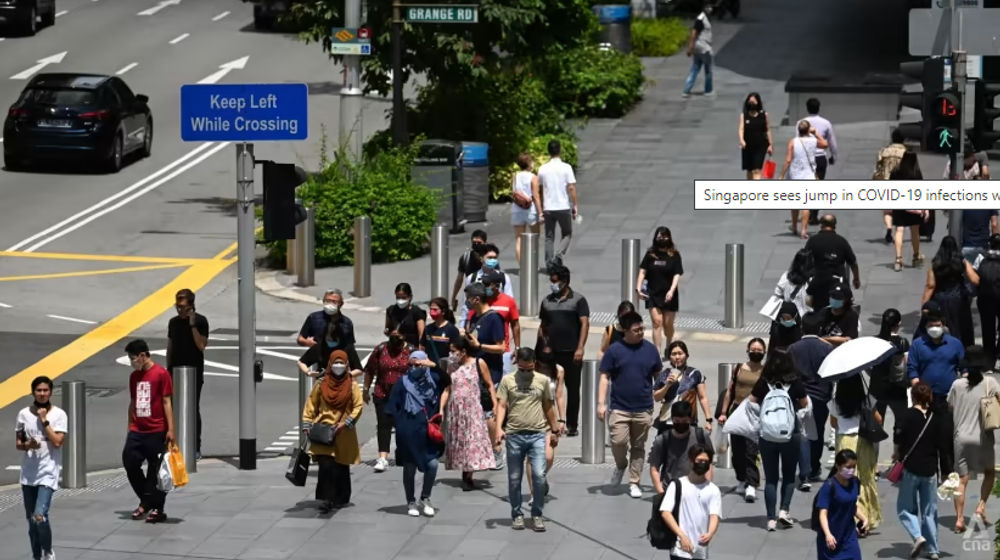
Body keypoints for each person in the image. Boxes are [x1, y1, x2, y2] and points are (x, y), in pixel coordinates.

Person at [494, 348, 561, 532]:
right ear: (517, 366)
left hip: (537, 434)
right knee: (515, 478)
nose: (525, 374)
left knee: (539, 476)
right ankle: (516, 514)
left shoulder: (542, 381)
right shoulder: (508, 380)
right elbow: (501, 405)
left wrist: (554, 429)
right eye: (522, 370)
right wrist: (499, 428)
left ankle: (537, 513)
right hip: (514, 435)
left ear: (534, 364)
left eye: (528, 370)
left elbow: (548, 406)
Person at [597, 311, 662, 498]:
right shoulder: (614, 350)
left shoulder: (650, 350)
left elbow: (658, 375)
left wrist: (662, 391)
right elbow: (604, 377)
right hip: (619, 407)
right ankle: (620, 465)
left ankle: (634, 481)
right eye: (636, 330)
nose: (641, 332)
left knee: (638, 446)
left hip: (643, 407)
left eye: (642, 328)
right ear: (625, 331)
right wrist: (601, 403)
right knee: (618, 441)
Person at [747, 353, 810, 531]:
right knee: (789, 476)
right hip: (791, 434)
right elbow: (804, 403)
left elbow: (751, 402)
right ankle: (784, 510)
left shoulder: (763, 382)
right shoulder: (795, 382)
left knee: (771, 478)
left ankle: (770, 519)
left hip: (767, 435)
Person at [385, 350, 449, 517]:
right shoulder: (403, 383)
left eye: (417, 365)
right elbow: (392, 407)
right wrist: (400, 426)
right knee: (409, 468)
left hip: (427, 433)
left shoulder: (432, 381)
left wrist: (432, 365)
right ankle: (411, 501)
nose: (413, 368)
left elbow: (446, 380)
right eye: (411, 365)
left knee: (432, 465)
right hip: (408, 433)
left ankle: (425, 497)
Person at [302, 350, 363, 512]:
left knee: (341, 465)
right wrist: (307, 424)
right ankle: (327, 498)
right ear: (329, 364)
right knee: (326, 466)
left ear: (347, 365)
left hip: (343, 432)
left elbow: (358, 406)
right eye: (335, 363)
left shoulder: (352, 384)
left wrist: (346, 423)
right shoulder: (321, 383)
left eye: (341, 363)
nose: (338, 366)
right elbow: (311, 405)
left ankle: (341, 497)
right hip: (323, 430)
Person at [121, 339, 174, 524]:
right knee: (130, 462)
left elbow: (167, 402)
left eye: (133, 358)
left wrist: (171, 429)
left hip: (156, 429)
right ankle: (148, 500)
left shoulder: (161, 374)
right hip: (137, 429)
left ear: (143, 356)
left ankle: (155, 508)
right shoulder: (134, 376)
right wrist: (130, 426)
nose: (131, 362)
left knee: (156, 471)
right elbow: (132, 402)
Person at [907, 311, 963, 480]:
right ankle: (929, 474)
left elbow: (963, 368)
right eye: (930, 325)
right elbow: (912, 370)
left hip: (947, 400)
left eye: (937, 325)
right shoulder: (918, 345)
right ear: (925, 327)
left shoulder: (955, 344)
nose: (934, 328)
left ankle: (947, 476)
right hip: (925, 400)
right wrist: (918, 392)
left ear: (943, 325)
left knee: (946, 438)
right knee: (926, 437)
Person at [946, 345, 997, 533]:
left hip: (961, 438)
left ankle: (959, 519)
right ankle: (981, 506)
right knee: (990, 473)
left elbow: (950, 407)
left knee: (962, 479)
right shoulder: (990, 383)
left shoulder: (957, 385)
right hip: (983, 437)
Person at [15, 376, 66, 560]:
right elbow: (19, 443)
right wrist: (28, 445)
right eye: (39, 390)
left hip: (48, 472)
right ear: (33, 392)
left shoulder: (59, 414)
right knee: (31, 521)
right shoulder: (23, 414)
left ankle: (48, 551)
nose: (42, 393)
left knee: (39, 517)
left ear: (51, 392)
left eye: (45, 390)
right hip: (28, 474)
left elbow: (58, 442)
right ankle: (36, 556)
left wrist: (44, 421)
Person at [894, 382, 945, 560]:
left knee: (904, 508)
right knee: (930, 510)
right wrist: (946, 471)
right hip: (930, 470)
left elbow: (898, 436)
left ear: (913, 397)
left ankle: (917, 536)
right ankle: (933, 549)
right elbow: (942, 446)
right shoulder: (935, 417)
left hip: (911, 469)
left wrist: (896, 453)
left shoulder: (906, 416)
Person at [537, 264, 589, 436]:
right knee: (547, 387)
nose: (553, 285)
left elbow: (584, 324)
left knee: (573, 389)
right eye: (551, 282)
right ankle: (549, 420)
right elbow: (542, 325)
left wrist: (580, 347)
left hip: (572, 352)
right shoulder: (546, 301)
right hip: (550, 353)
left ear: (564, 282)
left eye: (555, 282)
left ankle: (572, 425)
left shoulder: (578, 300)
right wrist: (542, 345)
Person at [828, 375, 882, 531]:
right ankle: (865, 518)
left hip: (845, 441)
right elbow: (878, 420)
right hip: (863, 441)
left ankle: (850, 517)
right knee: (865, 478)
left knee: (847, 480)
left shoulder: (835, 402)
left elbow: (833, 423)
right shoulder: (866, 400)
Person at [786, 312, 834, 488]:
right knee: (818, 433)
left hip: (799, 397)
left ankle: (803, 470)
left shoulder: (793, 348)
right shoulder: (827, 348)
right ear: (819, 328)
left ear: (801, 327)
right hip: (821, 397)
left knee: (800, 434)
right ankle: (814, 467)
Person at [463, 281, 507, 467]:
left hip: (491, 373)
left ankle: (497, 449)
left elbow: (501, 347)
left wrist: (480, 346)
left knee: (489, 413)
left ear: (476, 299)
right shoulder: (473, 317)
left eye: (468, 299)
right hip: (473, 372)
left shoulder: (494, 318)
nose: (466, 302)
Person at [444, 337, 496, 490]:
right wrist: (441, 408)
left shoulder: (478, 363)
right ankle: (464, 469)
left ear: (464, 351)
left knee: (471, 441)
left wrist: (494, 405)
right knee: (460, 441)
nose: (451, 354)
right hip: (456, 410)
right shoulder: (451, 365)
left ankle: (468, 475)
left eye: (454, 351)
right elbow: (448, 388)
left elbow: (489, 384)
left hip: (473, 409)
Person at [717, 338, 765, 503]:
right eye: (753, 349)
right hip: (737, 410)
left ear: (764, 352)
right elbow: (730, 390)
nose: (756, 352)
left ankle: (752, 483)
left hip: (755, 411)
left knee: (751, 449)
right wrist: (724, 412)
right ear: (747, 350)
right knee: (737, 450)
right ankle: (741, 479)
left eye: (759, 350)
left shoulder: (766, 371)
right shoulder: (738, 368)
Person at [166, 288, 208, 459]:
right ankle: (173, 444)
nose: (180, 310)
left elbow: (202, 345)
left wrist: (192, 325)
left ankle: (195, 447)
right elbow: (170, 345)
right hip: (175, 370)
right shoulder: (173, 322)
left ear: (191, 306)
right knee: (172, 409)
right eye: (177, 306)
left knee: (192, 408)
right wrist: (167, 368)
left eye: (183, 307)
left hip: (193, 371)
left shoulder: (200, 321)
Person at [659, 444, 722, 560]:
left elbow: (715, 516)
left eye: (705, 461)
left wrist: (710, 533)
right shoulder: (677, 485)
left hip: (700, 549)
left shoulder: (713, 490)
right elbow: (665, 513)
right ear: (691, 461)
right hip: (679, 548)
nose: (702, 464)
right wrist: (682, 536)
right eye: (699, 460)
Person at [363, 327, 412, 472]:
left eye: (399, 333)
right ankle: (383, 457)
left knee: (402, 426)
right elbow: (370, 370)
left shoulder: (411, 351)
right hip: (382, 393)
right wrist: (365, 390)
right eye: (393, 333)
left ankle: (403, 453)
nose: (396, 335)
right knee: (383, 425)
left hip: (404, 396)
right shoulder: (381, 349)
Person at [923, 235, 979, 347]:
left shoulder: (935, 263)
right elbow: (975, 279)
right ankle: (962, 349)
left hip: (940, 299)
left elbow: (930, 285)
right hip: (959, 299)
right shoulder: (961, 261)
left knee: (944, 326)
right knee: (961, 326)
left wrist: (924, 304)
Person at [635, 226, 684, 355]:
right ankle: (656, 351)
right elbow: (642, 271)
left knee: (668, 325)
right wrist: (638, 288)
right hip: (653, 293)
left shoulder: (674, 255)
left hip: (669, 294)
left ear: (669, 237)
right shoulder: (650, 254)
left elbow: (677, 274)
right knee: (657, 323)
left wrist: (672, 290)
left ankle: (669, 342)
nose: (662, 239)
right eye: (659, 236)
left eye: (664, 236)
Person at [649, 401, 714, 495]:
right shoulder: (663, 440)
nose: (681, 424)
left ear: (690, 420)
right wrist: (661, 492)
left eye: (684, 421)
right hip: (671, 490)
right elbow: (654, 468)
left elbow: (708, 464)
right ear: (672, 419)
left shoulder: (701, 436)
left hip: (697, 489)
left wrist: (707, 488)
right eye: (677, 421)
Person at [780, 120, 829, 238]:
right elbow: (825, 144)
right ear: (808, 130)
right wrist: (816, 133)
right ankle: (804, 230)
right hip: (809, 176)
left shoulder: (793, 142)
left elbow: (788, 160)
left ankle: (794, 225)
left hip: (795, 175)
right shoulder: (813, 141)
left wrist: (781, 175)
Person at [815, 449, 867, 560]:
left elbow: (852, 505)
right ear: (838, 466)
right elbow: (823, 514)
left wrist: (863, 518)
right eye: (848, 467)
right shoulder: (829, 486)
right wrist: (828, 535)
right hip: (831, 537)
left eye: (854, 467)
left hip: (848, 535)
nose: (851, 470)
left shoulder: (855, 482)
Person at [654, 341, 712, 434]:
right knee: (664, 447)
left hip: (688, 421)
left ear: (686, 355)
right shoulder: (664, 374)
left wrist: (708, 420)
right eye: (673, 354)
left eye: (680, 353)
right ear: (669, 357)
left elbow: (703, 398)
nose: (677, 357)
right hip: (667, 422)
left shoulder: (695, 373)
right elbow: (657, 398)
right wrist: (667, 385)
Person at [804, 214, 860, 310]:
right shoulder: (841, 241)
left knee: (817, 309)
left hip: (818, 283)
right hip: (838, 283)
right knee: (843, 309)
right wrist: (856, 279)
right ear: (835, 225)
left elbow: (805, 260)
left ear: (821, 224)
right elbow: (853, 263)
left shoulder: (813, 241)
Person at [537, 139, 578, 268]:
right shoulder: (566, 167)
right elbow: (571, 188)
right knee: (567, 233)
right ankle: (558, 255)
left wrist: (542, 207)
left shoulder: (543, 169)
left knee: (549, 236)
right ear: (560, 150)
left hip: (548, 207)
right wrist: (575, 204)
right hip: (563, 206)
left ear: (548, 151)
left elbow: (540, 188)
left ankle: (549, 264)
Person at [456, 244, 516, 328]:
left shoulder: (504, 278)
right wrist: (462, 326)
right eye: (489, 258)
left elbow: (510, 302)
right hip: (477, 321)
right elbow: (466, 305)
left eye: (495, 258)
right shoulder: (472, 278)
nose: (493, 260)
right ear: (481, 258)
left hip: (498, 321)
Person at [869, 309, 910, 428]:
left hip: (877, 388)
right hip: (897, 389)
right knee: (901, 424)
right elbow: (906, 365)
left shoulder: (874, 341)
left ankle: (874, 447)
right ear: (898, 324)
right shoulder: (902, 342)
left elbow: (867, 365)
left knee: (875, 426)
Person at [889, 152, 929, 271]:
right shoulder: (916, 172)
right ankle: (916, 256)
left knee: (899, 230)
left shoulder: (896, 171)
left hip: (899, 204)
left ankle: (898, 259)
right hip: (912, 205)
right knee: (914, 230)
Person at [876, 128, 908, 243]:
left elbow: (878, 168)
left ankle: (889, 227)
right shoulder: (906, 152)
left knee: (887, 211)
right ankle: (897, 232)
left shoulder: (884, 151)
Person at [511, 153, 542, 263]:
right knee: (534, 237)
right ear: (529, 163)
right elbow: (536, 196)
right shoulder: (533, 177)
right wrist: (541, 213)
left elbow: (514, 192)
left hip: (517, 209)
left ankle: (522, 266)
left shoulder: (515, 176)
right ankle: (532, 265)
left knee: (519, 239)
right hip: (530, 210)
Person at [765, 248, 813, 320]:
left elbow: (777, 294)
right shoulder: (812, 280)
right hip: (807, 319)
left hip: (790, 317)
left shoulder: (786, 276)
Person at [975, 234, 1000, 365]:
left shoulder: (981, 257)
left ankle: (988, 359)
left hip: (985, 299)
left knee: (987, 328)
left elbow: (975, 278)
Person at [419, 297, 461, 375]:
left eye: (435, 309)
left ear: (443, 311)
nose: (431, 312)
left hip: (446, 372)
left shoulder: (452, 330)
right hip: (429, 370)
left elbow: (457, 352)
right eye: (430, 309)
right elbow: (422, 347)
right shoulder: (428, 328)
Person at [738, 92, 773, 180]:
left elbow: (768, 130)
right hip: (748, 146)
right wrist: (742, 140)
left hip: (761, 145)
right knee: (749, 170)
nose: (752, 103)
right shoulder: (744, 116)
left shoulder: (764, 115)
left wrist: (770, 144)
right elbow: (741, 129)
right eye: (750, 102)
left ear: (758, 102)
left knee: (757, 170)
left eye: (753, 102)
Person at [682, 2, 714, 98]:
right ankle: (708, 90)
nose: (710, 9)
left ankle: (686, 90)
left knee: (695, 69)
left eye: (710, 7)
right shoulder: (701, 19)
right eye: (708, 7)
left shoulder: (705, 17)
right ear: (704, 8)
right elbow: (694, 33)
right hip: (703, 47)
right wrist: (690, 47)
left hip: (699, 48)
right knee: (708, 70)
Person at [451, 230, 488, 312]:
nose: (476, 245)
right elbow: (459, 280)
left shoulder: (490, 257)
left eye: (479, 242)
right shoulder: (465, 257)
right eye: (474, 242)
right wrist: (454, 297)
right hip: (470, 297)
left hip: (486, 297)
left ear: (485, 242)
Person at [384, 282, 426, 348]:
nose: (400, 300)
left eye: (403, 298)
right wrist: (391, 333)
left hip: (411, 347)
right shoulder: (391, 310)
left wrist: (420, 350)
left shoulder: (417, 312)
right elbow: (387, 329)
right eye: (398, 297)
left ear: (410, 297)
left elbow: (422, 335)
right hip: (395, 347)